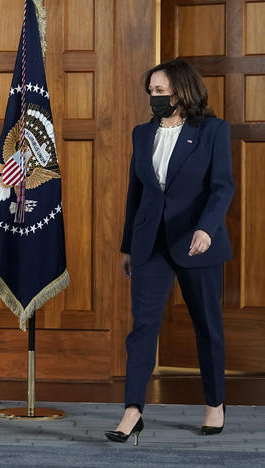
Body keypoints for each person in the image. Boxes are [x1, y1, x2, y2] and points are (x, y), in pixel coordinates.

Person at [106, 59, 234, 445]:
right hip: (150, 245)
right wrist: (128, 246)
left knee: (207, 326)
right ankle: (132, 410)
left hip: (197, 243)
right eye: (151, 91)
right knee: (142, 327)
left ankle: (215, 403)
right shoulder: (141, 134)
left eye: (160, 91)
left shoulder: (213, 131)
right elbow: (136, 194)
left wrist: (206, 229)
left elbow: (222, 187)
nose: (154, 98)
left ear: (182, 92)